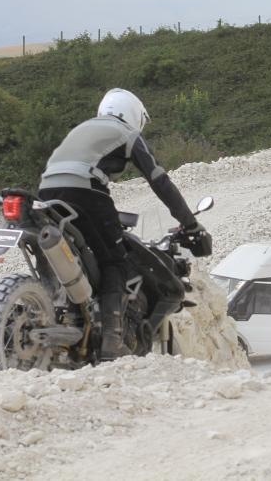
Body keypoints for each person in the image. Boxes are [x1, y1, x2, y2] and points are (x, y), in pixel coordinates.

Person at [38, 88, 210, 361]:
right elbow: (159, 181)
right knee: (114, 261)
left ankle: (63, 311)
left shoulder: (81, 128)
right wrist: (190, 224)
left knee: (75, 254)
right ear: (133, 115)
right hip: (85, 191)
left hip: (46, 193)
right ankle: (112, 342)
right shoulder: (127, 133)